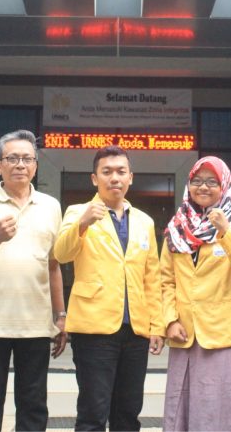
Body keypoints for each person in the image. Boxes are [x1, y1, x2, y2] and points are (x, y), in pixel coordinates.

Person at [0, 129, 66, 431]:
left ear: (35, 166)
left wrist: (61, 315)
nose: (20, 164)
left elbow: (53, 265)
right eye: (12, 158)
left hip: (36, 324)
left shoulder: (50, 206)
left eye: (27, 159)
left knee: (33, 405)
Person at [54, 145, 165, 431]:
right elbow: (61, 254)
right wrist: (82, 224)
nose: (114, 178)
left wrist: (156, 325)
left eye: (120, 171)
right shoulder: (77, 212)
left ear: (131, 177)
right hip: (94, 328)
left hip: (136, 330)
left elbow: (152, 276)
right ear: (95, 178)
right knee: (93, 412)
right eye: (107, 172)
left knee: (128, 412)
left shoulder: (144, 221)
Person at [161, 156, 231, 431]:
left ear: (224, 186)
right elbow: (165, 280)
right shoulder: (176, 227)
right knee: (179, 410)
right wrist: (170, 320)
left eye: (212, 182)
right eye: (197, 181)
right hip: (184, 333)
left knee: (217, 412)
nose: (203, 187)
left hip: (223, 334)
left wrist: (225, 231)